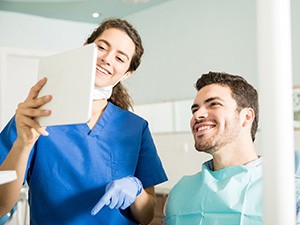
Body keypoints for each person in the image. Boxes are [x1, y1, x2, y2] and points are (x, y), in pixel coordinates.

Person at [0, 18, 167, 225]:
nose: (107, 59)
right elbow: (1, 206)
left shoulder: (135, 128)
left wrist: (136, 190)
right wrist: (23, 144)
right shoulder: (37, 113)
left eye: (120, 58)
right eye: (101, 47)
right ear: (85, 49)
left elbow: (147, 215)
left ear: (127, 74)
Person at [165, 71, 299, 225]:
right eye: (195, 109)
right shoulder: (179, 194)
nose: (197, 115)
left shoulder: (289, 192)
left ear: (246, 117)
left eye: (214, 104)